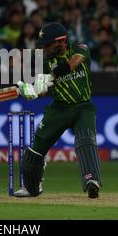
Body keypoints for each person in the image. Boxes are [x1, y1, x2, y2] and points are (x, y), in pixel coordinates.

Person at [16, 22, 102, 198]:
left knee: (86, 139)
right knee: (35, 151)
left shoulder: (80, 48)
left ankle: (91, 180)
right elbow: (43, 90)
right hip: (59, 109)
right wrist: (32, 91)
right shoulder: (45, 60)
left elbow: (74, 63)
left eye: (47, 44)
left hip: (83, 107)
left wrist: (51, 76)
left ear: (61, 41)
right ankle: (32, 188)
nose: (44, 48)